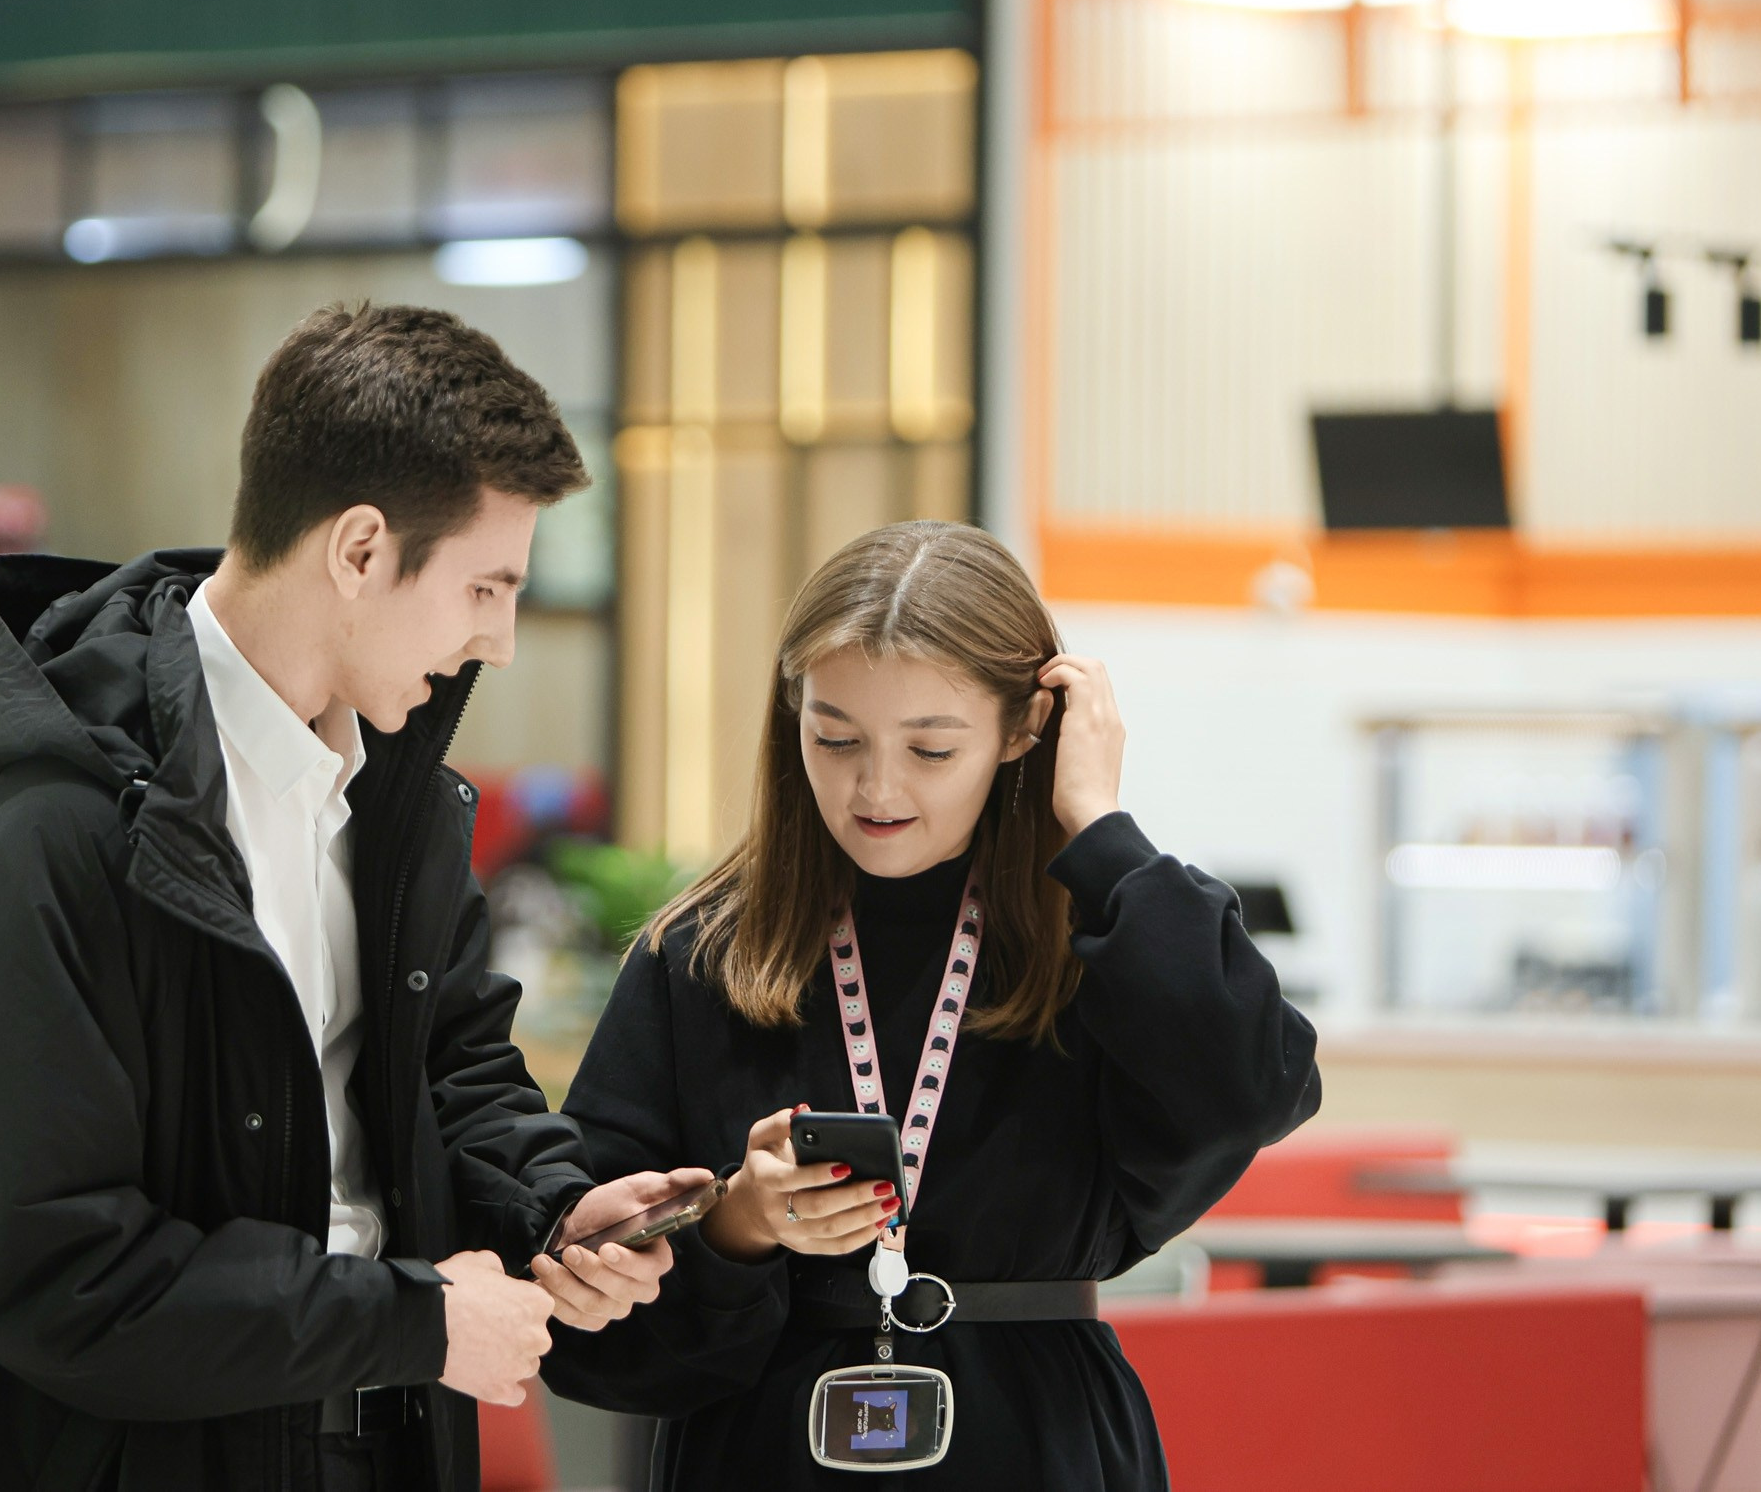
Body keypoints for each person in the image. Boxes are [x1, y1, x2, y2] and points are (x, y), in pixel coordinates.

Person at [0, 304, 710, 1492]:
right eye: (485, 586)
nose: (500, 640)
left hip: (374, 1443)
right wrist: (414, 1322)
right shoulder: (58, 832)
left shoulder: (397, 812)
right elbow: (49, 1270)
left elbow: (450, 1074)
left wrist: (551, 1210)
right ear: (360, 551)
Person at [543, 520, 1322, 1489]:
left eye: (931, 749)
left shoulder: (1102, 943)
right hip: (764, 1450)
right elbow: (578, 1303)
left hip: (1037, 1443)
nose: (876, 787)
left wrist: (1099, 830)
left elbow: (1253, 1089)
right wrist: (739, 1225)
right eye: (835, 738)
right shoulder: (701, 955)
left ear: (1024, 730)